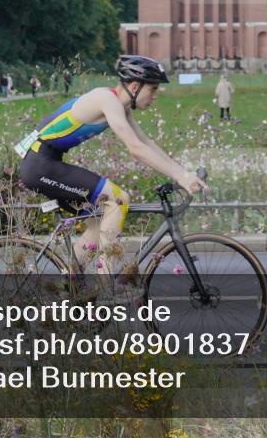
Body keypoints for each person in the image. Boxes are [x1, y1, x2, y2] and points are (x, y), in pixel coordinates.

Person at [16, 55, 207, 298]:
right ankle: (106, 289)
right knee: (118, 198)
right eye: (154, 88)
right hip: (40, 165)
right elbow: (135, 149)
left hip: (47, 162)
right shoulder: (106, 99)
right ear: (135, 86)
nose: (156, 95)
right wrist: (180, 176)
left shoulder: (121, 105)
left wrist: (183, 172)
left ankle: (70, 290)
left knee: (97, 223)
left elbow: (145, 142)